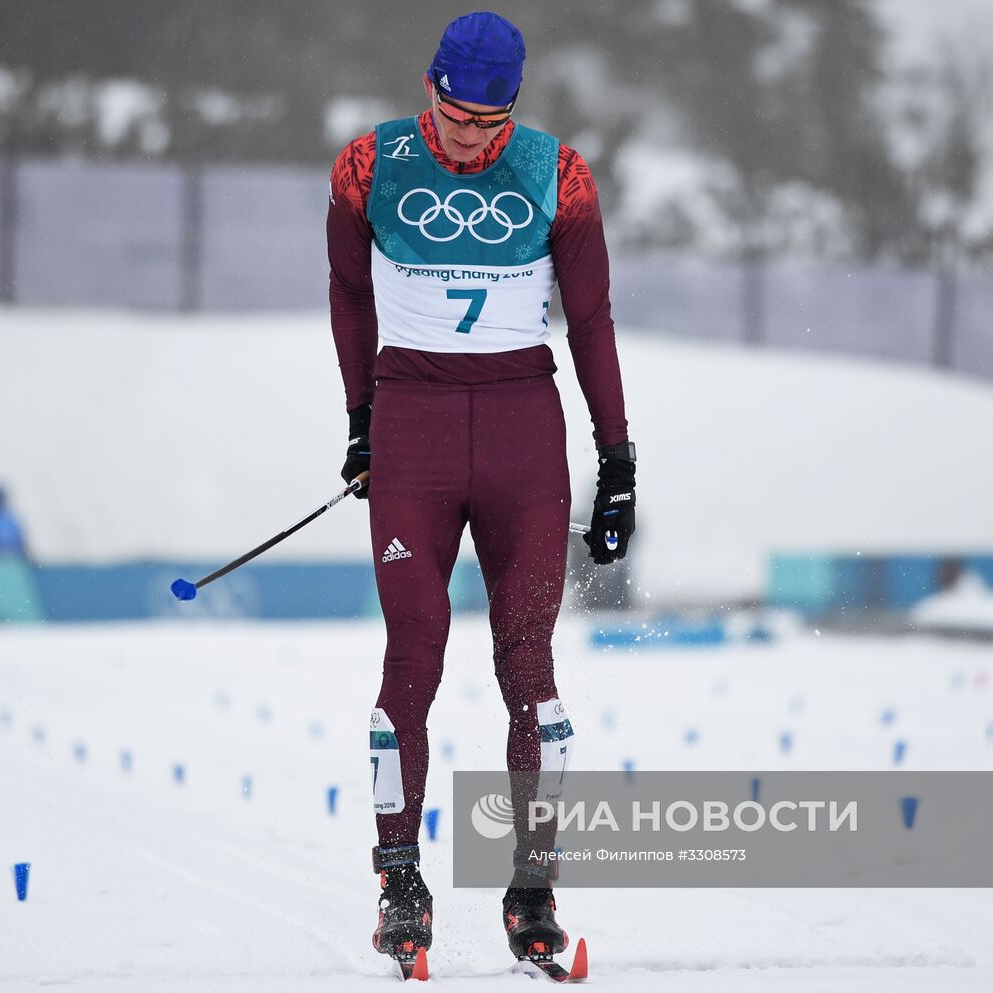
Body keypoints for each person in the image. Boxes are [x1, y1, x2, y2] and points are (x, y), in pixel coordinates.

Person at [327, 11, 637, 967]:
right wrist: (360, 417)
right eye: (456, 119)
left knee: (529, 667)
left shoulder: (562, 174)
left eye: (489, 126)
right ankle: (400, 884)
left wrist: (617, 456)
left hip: (520, 432)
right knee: (411, 653)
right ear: (430, 89)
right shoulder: (365, 167)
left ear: (515, 111)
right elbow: (349, 291)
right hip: (414, 426)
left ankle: (532, 891)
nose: (469, 141)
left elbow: (590, 320)